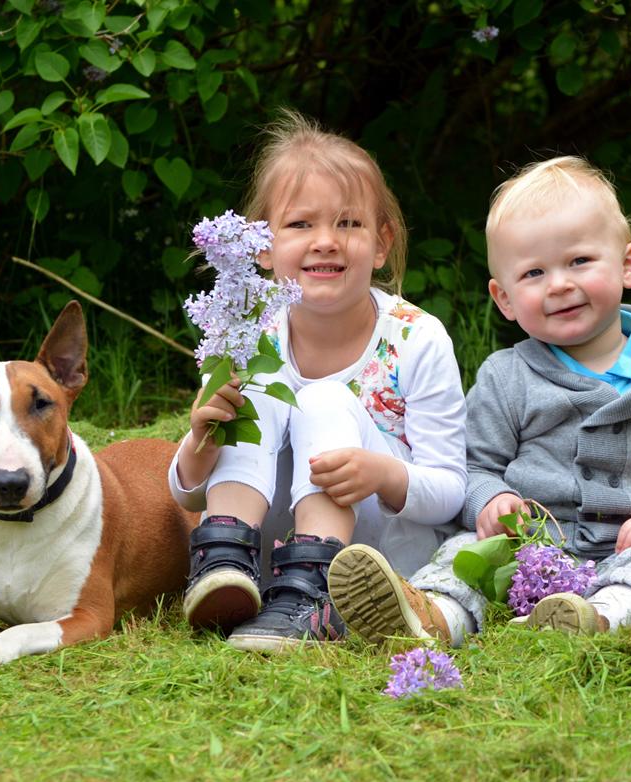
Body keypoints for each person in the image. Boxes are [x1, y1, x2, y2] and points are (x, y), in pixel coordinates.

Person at [328, 156, 631, 646]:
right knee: (467, 554)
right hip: (528, 545)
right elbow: (470, 468)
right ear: (504, 299)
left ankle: (598, 619)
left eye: (579, 261)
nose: (559, 284)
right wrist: (493, 501)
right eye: (533, 273)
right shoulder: (506, 376)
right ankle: (430, 617)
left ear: (627, 265)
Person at [170, 110, 466, 653]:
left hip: (372, 554)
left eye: (348, 224)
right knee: (251, 392)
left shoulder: (417, 338)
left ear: (381, 244)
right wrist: (198, 441)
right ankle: (225, 564)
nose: (325, 241)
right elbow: (184, 490)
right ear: (262, 244)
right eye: (301, 224)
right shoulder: (246, 334)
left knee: (324, 397)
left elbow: (450, 491)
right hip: (270, 543)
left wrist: (382, 473)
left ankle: (313, 592)